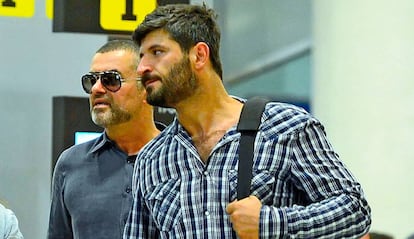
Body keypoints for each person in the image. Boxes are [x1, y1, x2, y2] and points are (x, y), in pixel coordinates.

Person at [124, 4, 371, 238]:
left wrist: (270, 223)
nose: (142, 67)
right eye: (142, 56)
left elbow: (354, 210)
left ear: (199, 55)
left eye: (157, 52)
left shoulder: (285, 127)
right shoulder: (151, 159)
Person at [47, 40, 163, 239]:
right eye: (92, 81)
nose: (96, 89)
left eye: (111, 79)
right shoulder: (71, 163)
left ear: (146, 87)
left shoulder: (181, 159)